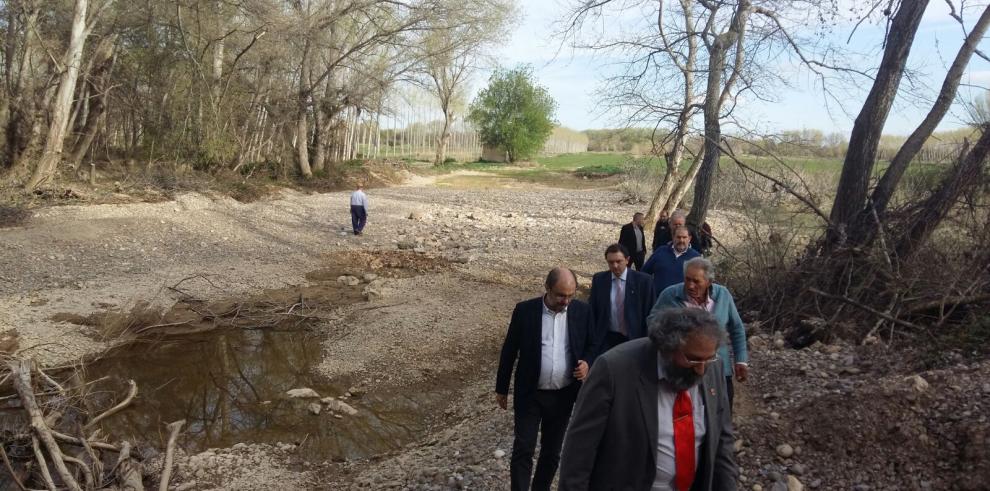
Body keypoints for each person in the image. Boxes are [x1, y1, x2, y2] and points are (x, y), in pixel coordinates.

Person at [558, 308, 738, 490]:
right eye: (692, 359)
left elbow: (722, 443)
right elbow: (578, 455)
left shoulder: (713, 367)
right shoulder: (614, 370)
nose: (701, 370)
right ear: (668, 347)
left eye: (708, 359)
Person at [495, 267, 597, 491]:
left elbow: (593, 344)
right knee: (524, 447)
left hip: (563, 394)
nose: (566, 301)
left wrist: (587, 362)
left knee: (552, 453)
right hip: (530, 393)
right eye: (561, 295)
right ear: (547, 288)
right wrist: (501, 388)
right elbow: (510, 349)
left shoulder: (582, 311)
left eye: (570, 295)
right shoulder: (525, 311)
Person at [651, 257, 748, 406]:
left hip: (718, 368)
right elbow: (653, 323)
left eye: (696, 281)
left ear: (709, 282)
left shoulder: (723, 295)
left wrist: (741, 360)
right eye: (687, 279)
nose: (690, 285)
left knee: (721, 410)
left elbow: (737, 328)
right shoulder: (669, 295)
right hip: (684, 369)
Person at [589, 244, 656, 354]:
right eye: (611, 262)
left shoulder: (643, 282)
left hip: (633, 339)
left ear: (627, 260)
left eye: (618, 261)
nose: (615, 266)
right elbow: (593, 310)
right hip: (606, 339)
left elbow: (651, 313)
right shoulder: (599, 280)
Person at [643, 226, 702, 294]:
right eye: (678, 237)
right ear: (673, 237)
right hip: (657, 300)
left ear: (689, 238)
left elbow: (700, 283)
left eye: (684, 237)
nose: (681, 240)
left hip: (681, 302)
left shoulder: (696, 258)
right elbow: (644, 273)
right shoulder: (660, 251)